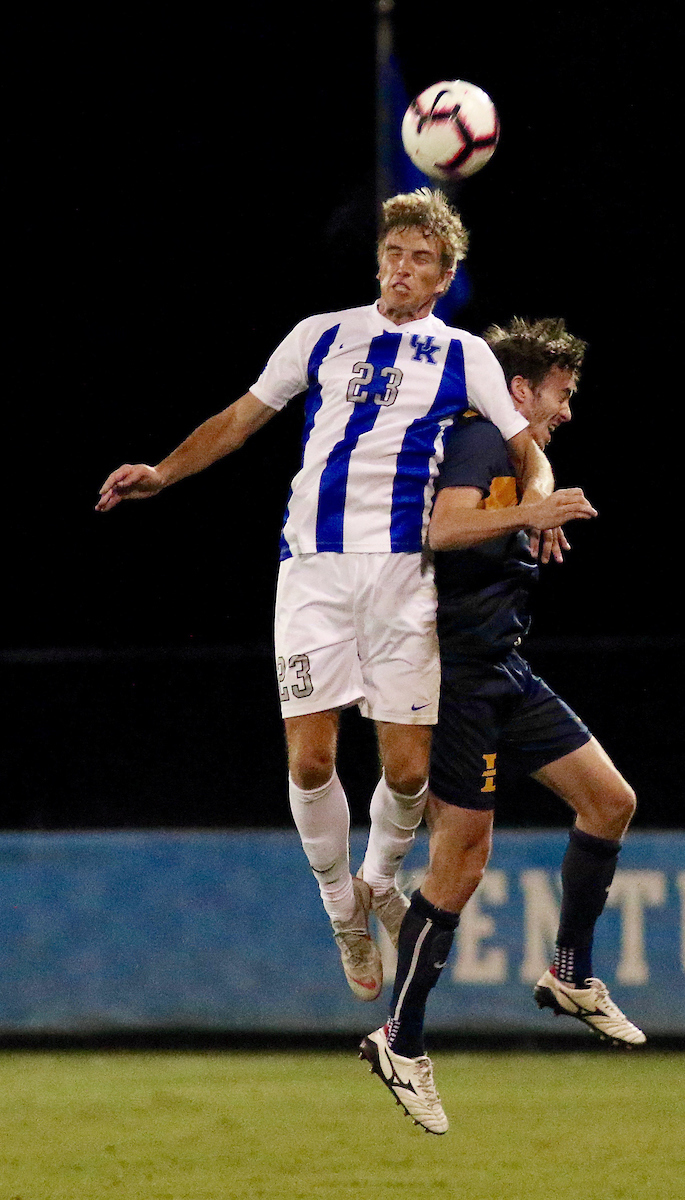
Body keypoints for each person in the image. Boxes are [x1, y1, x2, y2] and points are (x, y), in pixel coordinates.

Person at [95, 190, 556, 1003]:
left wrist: (541, 507)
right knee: (310, 757)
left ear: (444, 277)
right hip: (313, 571)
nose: (401, 269)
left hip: (403, 577)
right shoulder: (322, 335)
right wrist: (163, 472)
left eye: (420, 259)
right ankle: (344, 907)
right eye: (393, 254)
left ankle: (380, 878)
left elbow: (526, 450)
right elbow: (240, 418)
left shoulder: (463, 356)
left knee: (409, 774)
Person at [360, 317, 643, 1136]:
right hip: (456, 681)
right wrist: (531, 510)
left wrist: (537, 496)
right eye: (560, 394)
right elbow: (439, 530)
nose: (566, 410)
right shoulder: (482, 439)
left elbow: (525, 478)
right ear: (520, 391)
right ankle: (400, 1039)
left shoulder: (515, 453)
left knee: (609, 802)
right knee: (463, 862)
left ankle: (569, 974)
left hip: (505, 672)